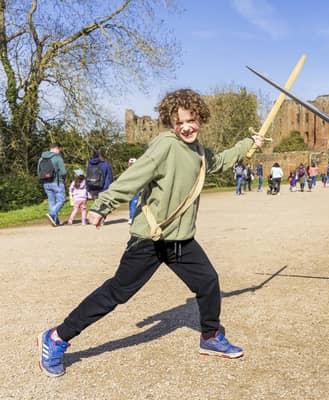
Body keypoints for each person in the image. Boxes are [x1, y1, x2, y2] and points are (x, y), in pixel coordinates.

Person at [37, 88, 264, 377]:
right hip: (151, 238)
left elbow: (217, 162)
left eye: (191, 120)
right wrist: (103, 205)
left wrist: (247, 144)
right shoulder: (166, 145)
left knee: (208, 281)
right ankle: (56, 337)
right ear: (171, 123)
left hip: (181, 240)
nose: (186, 127)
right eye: (179, 122)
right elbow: (135, 176)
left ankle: (210, 337)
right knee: (116, 292)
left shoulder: (197, 150)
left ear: (200, 118)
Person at [38, 143, 67, 226]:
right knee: (61, 200)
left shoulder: (41, 159)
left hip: (46, 183)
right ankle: (51, 213)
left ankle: (55, 221)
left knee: (51, 202)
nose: (59, 152)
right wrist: (63, 179)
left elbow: (38, 172)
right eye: (60, 150)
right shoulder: (57, 158)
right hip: (57, 182)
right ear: (57, 148)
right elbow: (63, 172)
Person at [127, 158, 140, 224]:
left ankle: (132, 218)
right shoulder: (128, 172)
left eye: (132, 164)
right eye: (130, 164)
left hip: (135, 190)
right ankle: (131, 217)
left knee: (133, 205)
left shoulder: (137, 172)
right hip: (130, 190)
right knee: (131, 205)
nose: (131, 165)